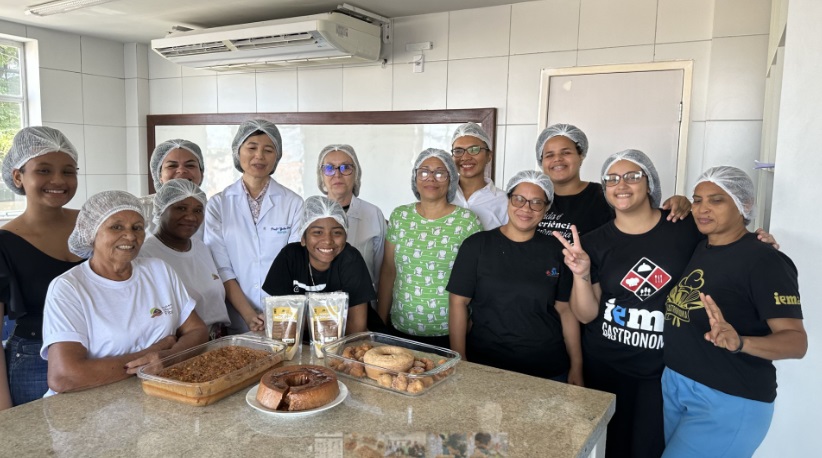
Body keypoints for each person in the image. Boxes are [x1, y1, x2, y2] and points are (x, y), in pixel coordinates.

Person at [553, 150, 703, 458]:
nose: (622, 184)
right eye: (612, 179)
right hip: (605, 367)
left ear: (649, 183)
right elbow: (585, 314)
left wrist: (760, 241)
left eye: (633, 176)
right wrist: (581, 273)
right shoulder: (593, 242)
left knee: (649, 448)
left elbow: (726, 242)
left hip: (662, 371)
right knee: (607, 448)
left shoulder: (684, 228)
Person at [662, 166, 806, 457]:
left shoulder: (764, 260)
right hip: (678, 386)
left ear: (745, 205)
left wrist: (740, 342)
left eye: (716, 200)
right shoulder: (702, 246)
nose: (702, 209)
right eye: (697, 200)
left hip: (728, 398)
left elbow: (796, 342)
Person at [41, 190, 208, 394]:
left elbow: (197, 330)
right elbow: (64, 376)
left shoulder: (158, 270)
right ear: (91, 232)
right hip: (89, 406)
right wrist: (150, 354)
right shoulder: (69, 288)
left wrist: (170, 356)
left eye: (137, 227)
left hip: (153, 394)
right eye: (116, 226)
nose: (130, 235)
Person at [448, 170, 581, 384]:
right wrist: (460, 359)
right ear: (508, 200)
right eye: (519, 199)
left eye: (536, 202)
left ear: (546, 208)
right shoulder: (477, 245)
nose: (525, 208)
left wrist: (577, 366)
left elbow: (565, 310)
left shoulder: (556, 251)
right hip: (486, 365)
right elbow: (457, 303)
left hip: (547, 368)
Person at [0, 127, 85, 409]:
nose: (58, 180)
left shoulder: (92, 225)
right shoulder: (5, 244)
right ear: (17, 176)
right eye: (44, 170)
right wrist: (4, 412)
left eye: (68, 171)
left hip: (99, 353)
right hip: (35, 361)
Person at [204, 119, 303, 334]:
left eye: (268, 150)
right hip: (236, 316)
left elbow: (293, 265)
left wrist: (274, 312)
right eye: (251, 148)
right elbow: (222, 268)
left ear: (277, 157)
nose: (259, 156)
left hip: (281, 313)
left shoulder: (293, 203)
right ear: (237, 151)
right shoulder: (218, 204)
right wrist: (249, 314)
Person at [377, 148, 481, 348]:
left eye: (440, 172)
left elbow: (478, 280)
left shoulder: (467, 222)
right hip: (400, 330)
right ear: (415, 177)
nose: (431, 178)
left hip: (450, 334)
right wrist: (381, 325)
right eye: (424, 171)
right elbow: (389, 271)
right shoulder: (400, 217)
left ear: (450, 179)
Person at [535, 123, 691, 243]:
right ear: (541, 161)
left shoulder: (605, 196)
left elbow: (642, 220)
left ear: (581, 155)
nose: (557, 159)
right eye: (549, 155)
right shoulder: (534, 199)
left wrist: (680, 203)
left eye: (566, 152)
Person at [263, 195, 372, 335]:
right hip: (299, 346)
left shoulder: (351, 259)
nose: (327, 240)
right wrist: (327, 324)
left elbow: (357, 327)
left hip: (346, 345)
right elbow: (278, 321)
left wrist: (298, 323)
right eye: (317, 232)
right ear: (303, 238)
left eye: (337, 232)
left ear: (346, 236)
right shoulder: (290, 257)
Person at [138, 179, 229, 338]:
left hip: (217, 339)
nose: (191, 217)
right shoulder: (145, 255)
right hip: (183, 346)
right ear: (161, 210)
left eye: (198, 210)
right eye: (181, 208)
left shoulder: (200, 247)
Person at [315, 144, 386, 331]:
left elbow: (380, 271)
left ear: (356, 174)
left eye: (346, 167)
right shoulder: (309, 214)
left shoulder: (373, 214)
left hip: (363, 310)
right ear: (321, 176)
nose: (337, 174)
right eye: (329, 168)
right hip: (318, 312)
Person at [140, 139, 205, 237]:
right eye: (172, 166)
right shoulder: (140, 209)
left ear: (201, 174)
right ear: (159, 175)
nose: (181, 171)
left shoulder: (214, 209)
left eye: (190, 165)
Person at [450, 123, 508, 230]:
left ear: (489, 156)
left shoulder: (505, 202)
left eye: (474, 149)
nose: (465, 157)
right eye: (458, 151)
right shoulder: (442, 196)